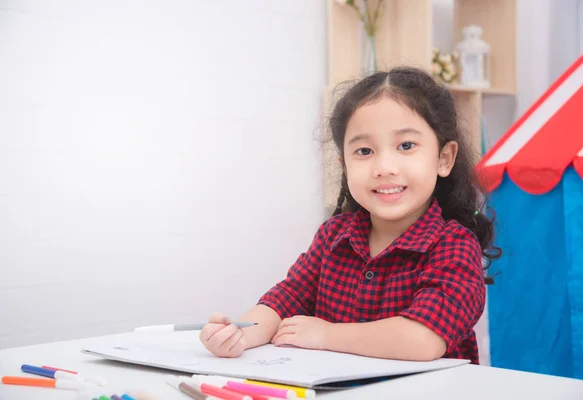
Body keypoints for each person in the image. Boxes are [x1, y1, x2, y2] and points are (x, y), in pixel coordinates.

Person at [199, 66, 501, 364]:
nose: (384, 167)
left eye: (406, 145)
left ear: (444, 158)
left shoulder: (454, 245)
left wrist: (326, 335)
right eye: (365, 151)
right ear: (345, 165)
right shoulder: (333, 235)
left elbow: (423, 339)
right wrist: (241, 335)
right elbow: (285, 299)